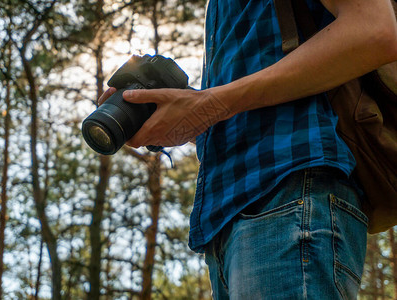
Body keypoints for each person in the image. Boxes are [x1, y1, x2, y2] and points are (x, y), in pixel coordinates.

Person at [98, 0, 397, 298]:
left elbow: (373, 30)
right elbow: (239, 105)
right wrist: (183, 116)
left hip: (292, 189)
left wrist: (208, 104)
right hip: (224, 224)